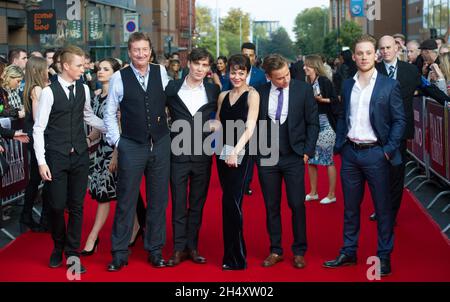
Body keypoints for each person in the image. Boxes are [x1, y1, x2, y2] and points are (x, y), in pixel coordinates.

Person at [323, 34, 406, 277]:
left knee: (382, 209)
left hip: (376, 154)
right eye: (359, 53)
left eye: (368, 53)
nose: (363, 57)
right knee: (350, 208)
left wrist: (388, 150)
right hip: (350, 154)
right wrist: (340, 144)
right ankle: (349, 251)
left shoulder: (389, 85)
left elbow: (400, 120)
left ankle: (384, 256)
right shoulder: (348, 84)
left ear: (376, 55)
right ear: (354, 56)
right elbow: (343, 117)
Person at [33, 45, 106, 274]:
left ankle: (72, 253)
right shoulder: (48, 92)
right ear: (65, 66)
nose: (83, 69)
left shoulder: (83, 89)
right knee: (55, 206)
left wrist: (112, 128)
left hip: (80, 156)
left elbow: (87, 115)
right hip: (55, 157)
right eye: (79, 65)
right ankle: (58, 245)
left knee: (77, 207)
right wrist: (41, 162)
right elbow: (38, 128)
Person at [104, 32, 170, 271]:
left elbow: (170, 101)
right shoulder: (118, 78)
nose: (141, 54)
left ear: (150, 51)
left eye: (144, 50)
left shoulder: (161, 72)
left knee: (158, 201)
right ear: (129, 52)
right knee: (126, 201)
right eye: (136, 50)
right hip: (131, 145)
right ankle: (119, 253)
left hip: (160, 143)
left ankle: (155, 250)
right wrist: (117, 142)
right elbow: (109, 112)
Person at [256, 54, 318, 269]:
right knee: (271, 206)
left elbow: (313, 124)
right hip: (267, 157)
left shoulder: (303, 89)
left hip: (294, 156)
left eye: (287, 74)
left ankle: (299, 250)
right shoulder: (259, 92)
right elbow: (251, 124)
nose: (286, 80)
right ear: (268, 77)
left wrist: (307, 151)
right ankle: (276, 250)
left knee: (296, 204)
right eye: (279, 78)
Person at [165, 48, 220, 267]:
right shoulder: (172, 88)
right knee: (178, 203)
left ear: (208, 69)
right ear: (189, 64)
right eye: (197, 64)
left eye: (205, 65)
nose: (200, 69)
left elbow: (225, 115)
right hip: (176, 154)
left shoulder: (214, 90)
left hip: (202, 156)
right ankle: (178, 249)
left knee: (197, 203)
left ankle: (193, 247)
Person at [214, 54, 259, 270]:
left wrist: (235, 152)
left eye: (241, 72)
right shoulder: (223, 95)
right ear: (227, 72)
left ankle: (237, 258)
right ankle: (230, 255)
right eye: (233, 72)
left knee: (232, 203)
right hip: (222, 152)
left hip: (241, 151)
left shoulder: (253, 95)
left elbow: (250, 128)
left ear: (247, 73)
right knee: (228, 203)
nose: (237, 76)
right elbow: (218, 122)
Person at [370, 35, 421, 222]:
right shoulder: (374, 71)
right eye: (381, 48)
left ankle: (391, 214)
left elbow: (426, 88)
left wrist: (446, 101)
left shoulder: (411, 71)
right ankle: (381, 209)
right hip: (377, 132)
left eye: (388, 47)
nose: (385, 51)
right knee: (379, 174)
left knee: (397, 174)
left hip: (400, 132)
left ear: (397, 48)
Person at [303, 55, 340, 205]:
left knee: (328, 160)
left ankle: (331, 194)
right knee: (311, 159)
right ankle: (313, 192)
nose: (305, 68)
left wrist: (321, 100)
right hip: (312, 124)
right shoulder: (307, 82)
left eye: (308, 66)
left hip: (326, 124)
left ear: (315, 67)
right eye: (305, 65)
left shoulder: (324, 81)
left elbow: (335, 100)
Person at [21, 56, 50, 232]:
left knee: (35, 179)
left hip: (35, 137)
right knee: (43, 178)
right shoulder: (37, 89)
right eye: (44, 68)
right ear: (38, 70)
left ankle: (27, 217)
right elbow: (40, 119)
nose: (47, 71)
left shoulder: (31, 88)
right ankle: (43, 219)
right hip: (40, 138)